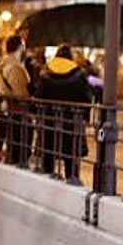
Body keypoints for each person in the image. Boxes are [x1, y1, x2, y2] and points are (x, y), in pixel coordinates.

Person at [34, 45, 92, 182]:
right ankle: (72, 181)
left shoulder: (45, 73)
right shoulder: (79, 74)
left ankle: (47, 184)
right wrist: (85, 116)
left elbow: (38, 96)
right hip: (71, 123)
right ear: (70, 57)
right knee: (71, 160)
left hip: (49, 122)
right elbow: (87, 98)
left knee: (48, 158)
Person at [0, 34, 32, 165]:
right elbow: (21, 94)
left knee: (13, 144)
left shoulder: (4, 65)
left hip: (9, 110)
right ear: (20, 47)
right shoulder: (16, 68)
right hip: (19, 112)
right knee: (21, 145)